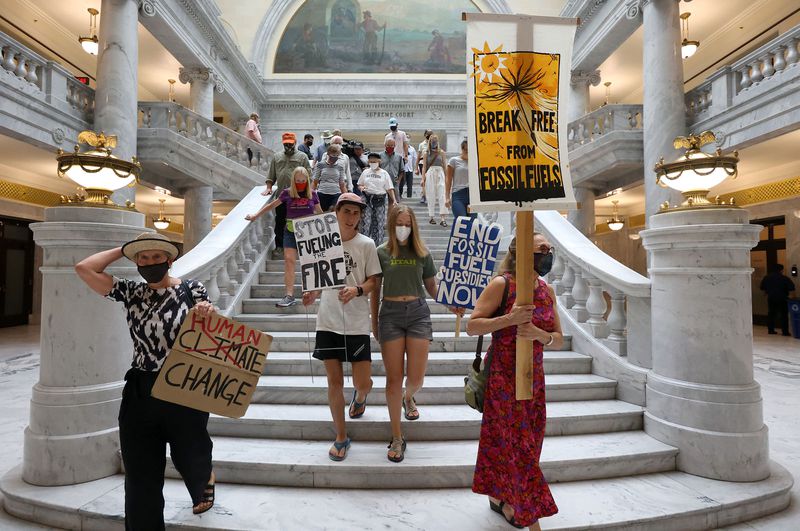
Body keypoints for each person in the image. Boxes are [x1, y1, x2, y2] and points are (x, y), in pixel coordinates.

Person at [74, 232, 217, 529]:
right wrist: (125, 248)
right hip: (140, 390)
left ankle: (204, 477)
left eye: (156, 257)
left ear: (169, 259)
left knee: (192, 454)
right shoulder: (131, 292)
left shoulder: (192, 290)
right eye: (143, 257)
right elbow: (84, 268)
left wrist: (207, 313)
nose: (150, 262)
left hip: (184, 387)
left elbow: (211, 334)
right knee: (140, 474)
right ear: (137, 262)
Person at [466, 234, 562, 530]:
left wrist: (539, 334)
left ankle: (502, 498)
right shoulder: (502, 284)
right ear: (521, 253)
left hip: (535, 378)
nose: (547, 253)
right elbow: (472, 325)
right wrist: (509, 320)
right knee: (518, 447)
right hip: (503, 378)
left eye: (549, 249)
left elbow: (557, 339)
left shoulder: (547, 291)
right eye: (541, 249)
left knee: (529, 444)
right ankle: (530, 516)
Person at [303, 193, 382, 461]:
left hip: (358, 322)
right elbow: (316, 278)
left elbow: (373, 281)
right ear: (336, 212)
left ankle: (360, 397)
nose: (351, 218)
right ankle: (340, 436)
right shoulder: (322, 243)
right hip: (328, 320)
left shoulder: (367, 244)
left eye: (356, 213)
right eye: (346, 212)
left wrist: (358, 289)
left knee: (364, 382)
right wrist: (311, 294)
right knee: (334, 382)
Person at [371, 204, 437, 463]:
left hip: (419, 312)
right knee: (393, 379)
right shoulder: (381, 252)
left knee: (416, 378)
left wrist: (452, 301)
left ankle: (409, 397)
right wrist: (374, 322)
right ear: (391, 224)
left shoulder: (422, 252)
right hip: (391, 314)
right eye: (399, 223)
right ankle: (397, 437)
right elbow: (375, 290)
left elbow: (431, 285)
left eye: (408, 223)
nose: (403, 228)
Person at [247, 167, 322, 307]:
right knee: (289, 261)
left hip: (308, 231)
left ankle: (312, 291)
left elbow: (320, 213)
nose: (300, 182)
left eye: (303, 180)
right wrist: (255, 216)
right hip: (290, 230)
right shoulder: (287, 193)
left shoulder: (312, 194)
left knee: (310, 263)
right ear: (293, 180)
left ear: (307, 180)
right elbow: (272, 205)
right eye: (298, 180)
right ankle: (289, 295)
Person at [262, 132, 312, 260]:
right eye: (286, 143)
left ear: (295, 142)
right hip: (282, 196)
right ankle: (280, 247)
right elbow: (271, 175)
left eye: (290, 143)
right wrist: (268, 188)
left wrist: (308, 193)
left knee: (300, 222)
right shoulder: (277, 156)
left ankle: (302, 247)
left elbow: (309, 176)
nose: (288, 145)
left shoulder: (302, 157)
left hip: (299, 197)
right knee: (280, 222)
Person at [358, 151, 396, 246]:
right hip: (367, 198)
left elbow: (390, 188)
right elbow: (360, 184)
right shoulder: (365, 172)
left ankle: (378, 245)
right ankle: (364, 244)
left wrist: (394, 200)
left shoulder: (384, 173)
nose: (372, 163)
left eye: (374, 161)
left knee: (379, 223)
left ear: (379, 161)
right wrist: (361, 188)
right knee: (366, 222)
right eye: (371, 162)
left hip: (379, 199)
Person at [760, 264, 796, 336]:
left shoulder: (766, 277)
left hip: (771, 298)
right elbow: (792, 287)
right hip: (782, 298)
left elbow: (762, 287)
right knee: (784, 315)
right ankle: (785, 332)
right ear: (781, 270)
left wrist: (768, 291)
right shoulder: (784, 278)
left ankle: (771, 330)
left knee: (771, 314)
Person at [420, 133, 448, 226]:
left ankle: (443, 218)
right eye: (432, 141)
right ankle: (431, 217)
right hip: (431, 173)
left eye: (435, 141)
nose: (434, 142)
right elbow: (424, 167)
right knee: (431, 194)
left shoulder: (442, 152)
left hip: (440, 173)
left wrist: (447, 178)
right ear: (429, 141)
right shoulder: (426, 153)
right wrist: (423, 178)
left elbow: (445, 165)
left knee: (442, 195)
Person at [312, 143, 348, 211]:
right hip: (322, 193)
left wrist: (346, 196)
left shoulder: (340, 166)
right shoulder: (320, 165)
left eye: (337, 155)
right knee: (322, 213)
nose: (335, 157)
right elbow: (315, 182)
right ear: (328, 154)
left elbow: (342, 184)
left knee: (333, 212)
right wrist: (310, 194)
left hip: (336, 193)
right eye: (333, 155)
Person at [445, 139, 473, 219]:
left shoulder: (474, 162)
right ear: (462, 149)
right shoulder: (454, 160)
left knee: (472, 224)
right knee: (462, 221)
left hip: (472, 196)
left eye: (469, 150)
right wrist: (447, 197)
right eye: (465, 150)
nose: (467, 152)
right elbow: (448, 179)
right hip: (458, 195)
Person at [416, 129, 433, 204]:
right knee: (424, 179)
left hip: (431, 163)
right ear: (425, 135)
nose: (429, 135)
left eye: (431, 134)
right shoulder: (421, 144)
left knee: (429, 180)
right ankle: (424, 196)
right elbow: (418, 156)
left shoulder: (434, 143)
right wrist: (416, 168)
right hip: (422, 163)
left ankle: (425, 195)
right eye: (428, 134)